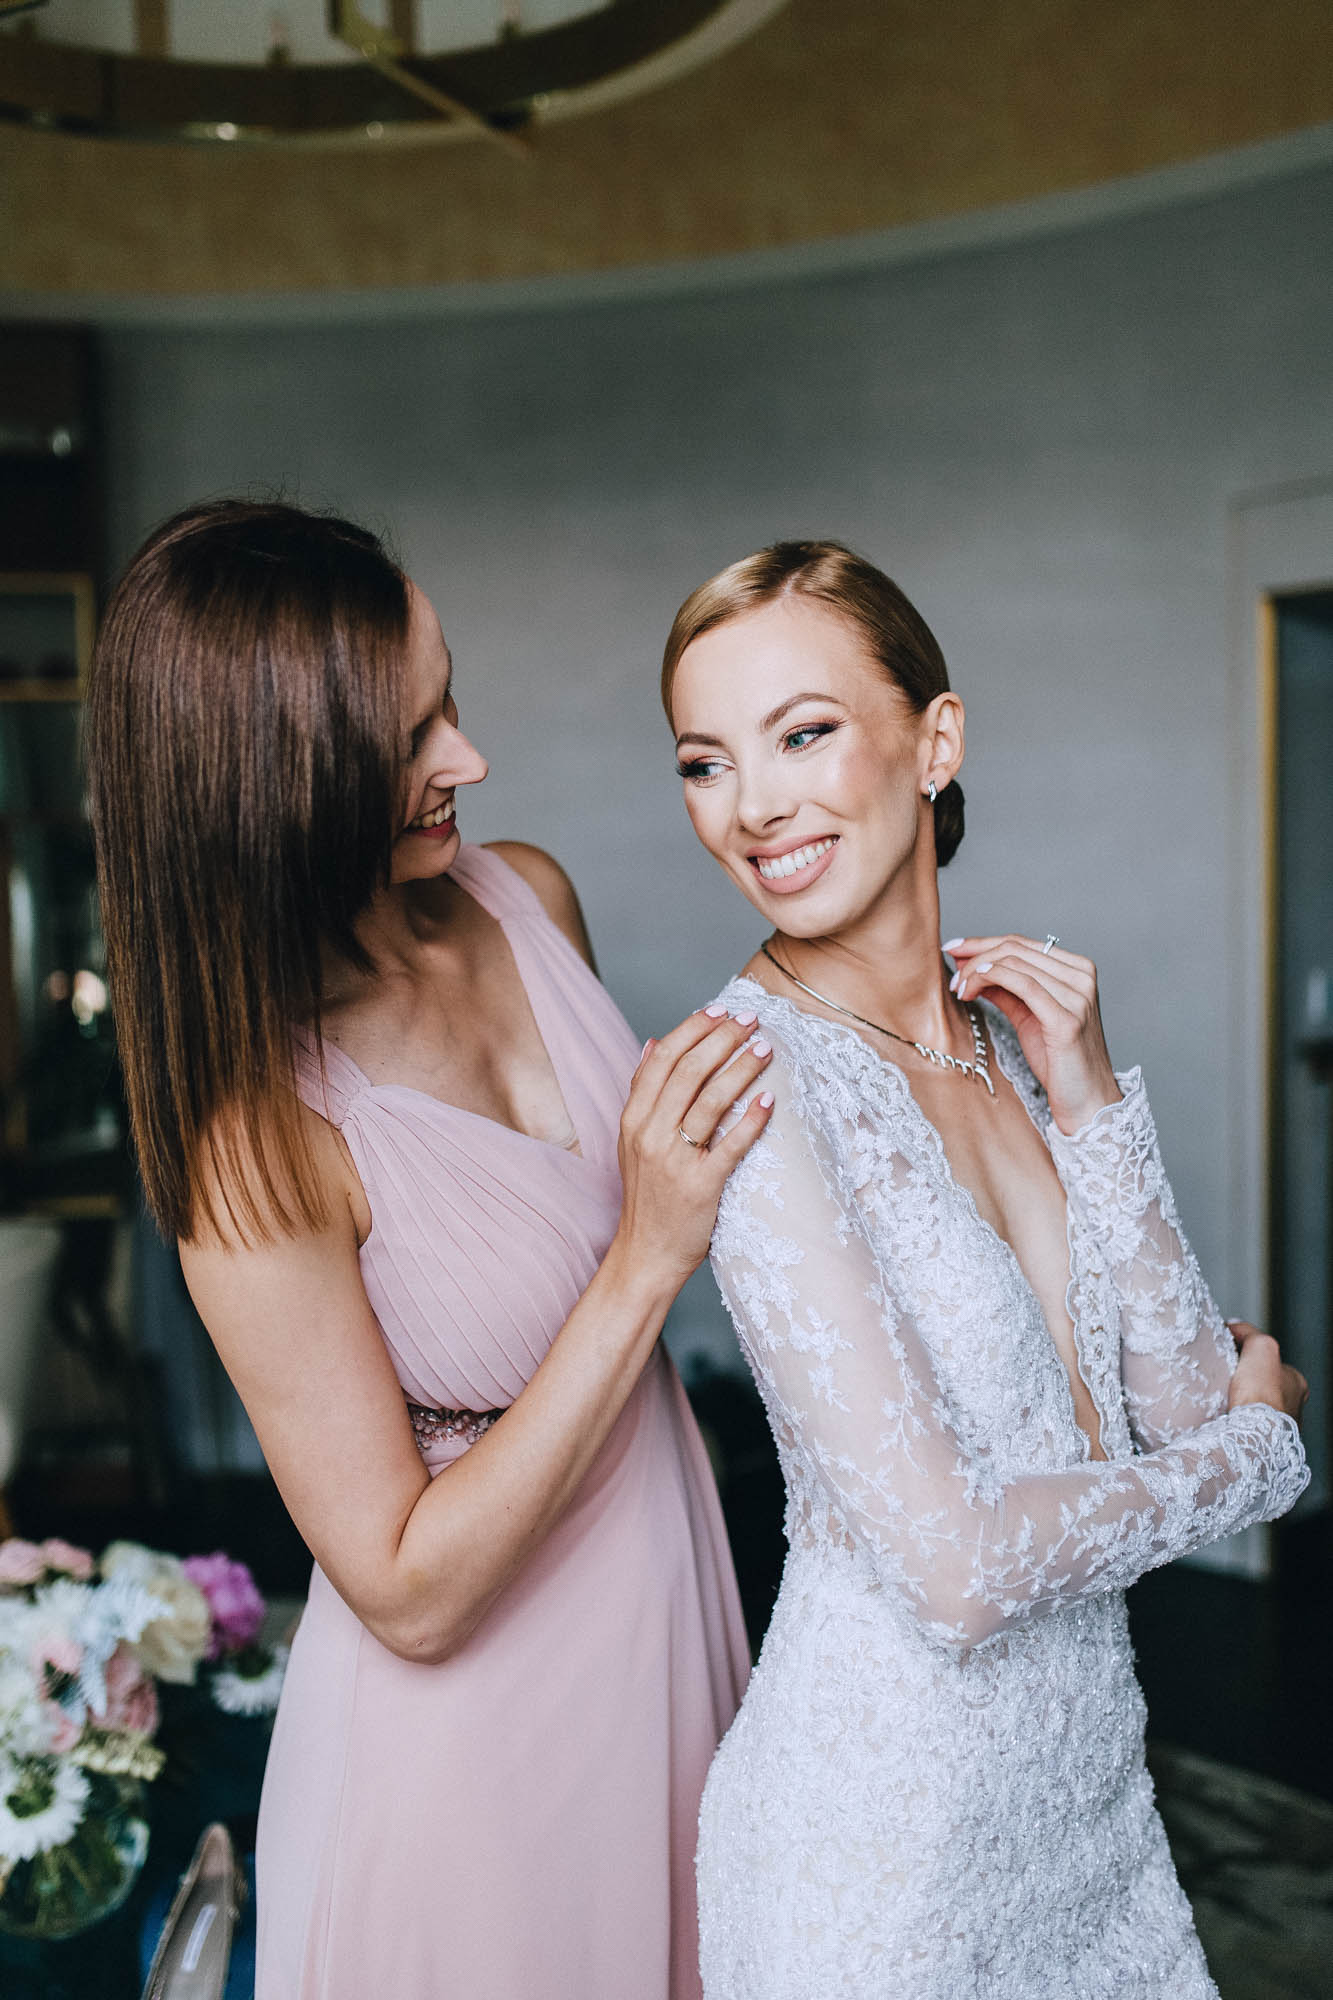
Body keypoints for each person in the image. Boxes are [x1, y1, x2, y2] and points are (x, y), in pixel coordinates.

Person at [86, 499, 773, 2000]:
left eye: (449, 699)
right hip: (477, 1748)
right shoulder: (257, 1140)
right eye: (410, 740)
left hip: (667, 1591)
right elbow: (404, 1589)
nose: (467, 758)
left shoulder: (529, 897)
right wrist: (648, 1259)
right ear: (277, 785)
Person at [659, 539, 1309, 1999]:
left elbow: (1172, 1404)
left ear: (934, 741)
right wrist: (1261, 1459)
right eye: (706, 763)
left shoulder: (1005, 1041)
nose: (753, 806)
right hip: (877, 1859)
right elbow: (957, 1570)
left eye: (801, 734)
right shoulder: (749, 1082)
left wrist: (1088, 1096)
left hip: (1090, 1814)